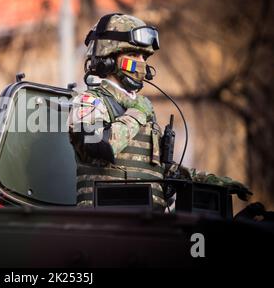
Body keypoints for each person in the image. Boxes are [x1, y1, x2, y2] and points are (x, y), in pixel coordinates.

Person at [68, 13, 251, 210]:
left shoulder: (141, 109)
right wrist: (137, 114)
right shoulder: (88, 101)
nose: (141, 63)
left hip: (150, 222)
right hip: (107, 225)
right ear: (108, 58)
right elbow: (100, 146)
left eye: (144, 56)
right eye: (132, 55)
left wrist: (209, 181)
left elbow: (159, 171)